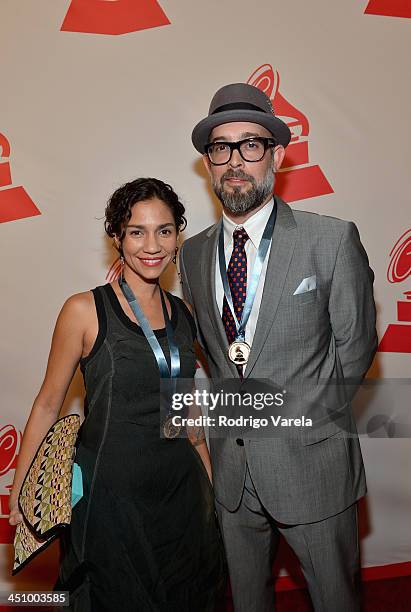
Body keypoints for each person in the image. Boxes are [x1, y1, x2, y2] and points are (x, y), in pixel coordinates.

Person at [179, 83, 378, 611]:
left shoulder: (330, 239)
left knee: (336, 600)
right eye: (221, 148)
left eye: (251, 145)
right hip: (232, 475)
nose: (235, 161)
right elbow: (213, 353)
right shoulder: (192, 254)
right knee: (246, 601)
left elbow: (356, 349)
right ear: (209, 162)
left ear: (277, 155)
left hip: (311, 467)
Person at [8, 178, 226, 611]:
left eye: (164, 230)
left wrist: (210, 483)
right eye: (137, 231)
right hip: (110, 499)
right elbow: (49, 402)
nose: (152, 245)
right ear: (117, 238)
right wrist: (21, 487)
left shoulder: (182, 313)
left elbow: (185, 414)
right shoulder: (83, 310)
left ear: (177, 235)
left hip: (180, 495)